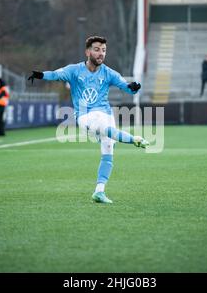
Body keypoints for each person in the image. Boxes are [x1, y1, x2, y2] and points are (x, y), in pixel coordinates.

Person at [27, 36, 149, 204]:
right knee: (107, 131)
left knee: (108, 151)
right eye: (97, 49)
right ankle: (134, 139)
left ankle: (99, 191)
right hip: (85, 115)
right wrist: (40, 75)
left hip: (106, 114)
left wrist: (133, 88)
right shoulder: (74, 70)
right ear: (88, 52)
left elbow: (126, 87)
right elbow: (55, 74)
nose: (101, 54)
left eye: (104, 50)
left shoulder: (108, 73)